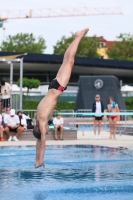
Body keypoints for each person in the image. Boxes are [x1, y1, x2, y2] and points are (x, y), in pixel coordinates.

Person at [33, 28, 89, 168]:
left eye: (45, 131)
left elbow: (42, 142)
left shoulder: (42, 121)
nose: (47, 131)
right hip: (52, 87)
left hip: (57, 88)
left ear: (41, 130)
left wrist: (42, 160)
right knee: (67, 60)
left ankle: (78, 37)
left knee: (69, 61)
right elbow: (38, 141)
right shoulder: (37, 117)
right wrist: (36, 160)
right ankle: (77, 37)